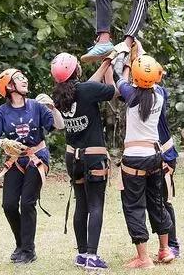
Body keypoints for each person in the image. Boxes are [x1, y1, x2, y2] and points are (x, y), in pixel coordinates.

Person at [0, 68, 64, 264]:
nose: (24, 80)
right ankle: (21, 244)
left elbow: (60, 126)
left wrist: (53, 108)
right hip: (15, 160)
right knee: (9, 205)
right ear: (9, 87)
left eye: (23, 76)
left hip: (37, 157)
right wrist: (4, 143)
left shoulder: (37, 106)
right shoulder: (2, 112)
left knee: (27, 203)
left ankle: (28, 251)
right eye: (18, 78)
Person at [50, 53, 117, 270]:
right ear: (76, 70)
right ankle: (92, 256)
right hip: (94, 156)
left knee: (82, 204)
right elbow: (113, 91)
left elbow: (88, 85)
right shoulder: (87, 91)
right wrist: (110, 67)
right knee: (96, 205)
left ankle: (81, 254)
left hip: (73, 157)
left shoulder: (60, 95)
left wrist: (106, 61)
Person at [115, 54, 175, 268]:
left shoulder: (131, 94)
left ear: (136, 77)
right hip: (154, 156)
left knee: (133, 206)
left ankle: (143, 258)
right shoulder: (160, 94)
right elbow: (149, 77)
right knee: (157, 202)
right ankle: (165, 249)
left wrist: (123, 62)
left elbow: (119, 78)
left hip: (134, 159)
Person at [155, 69, 181, 258]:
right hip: (147, 153)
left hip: (164, 152)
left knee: (163, 201)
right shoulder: (135, 92)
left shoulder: (159, 92)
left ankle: (172, 245)